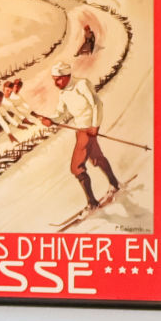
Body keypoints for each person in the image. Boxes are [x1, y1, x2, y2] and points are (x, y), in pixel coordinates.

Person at [50, 61, 119, 210]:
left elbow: (97, 104)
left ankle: (92, 202)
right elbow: (60, 113)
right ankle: (114, 183)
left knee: (76, 167)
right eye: (54, 79)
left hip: (88, 130)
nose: (55, 83)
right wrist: (50, 120)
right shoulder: (63, 93)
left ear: (66, 76)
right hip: (80, 130)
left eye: (58, 79)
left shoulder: (81, 84)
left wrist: (95, 125)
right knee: (97, 158)